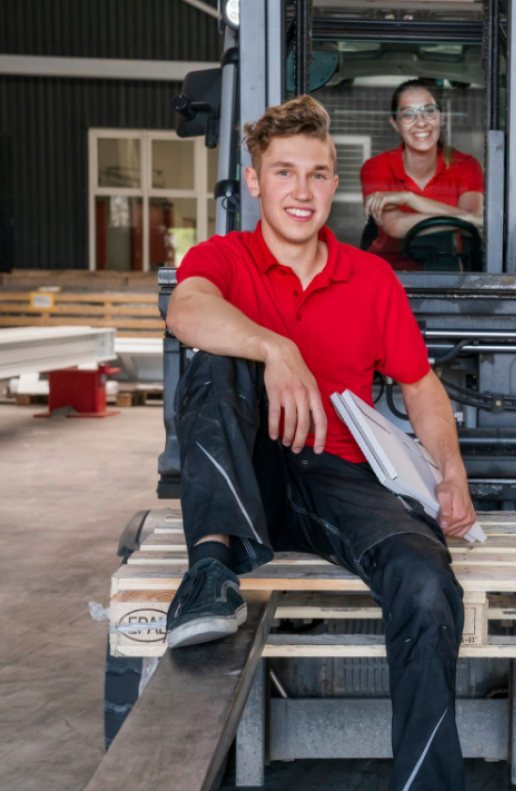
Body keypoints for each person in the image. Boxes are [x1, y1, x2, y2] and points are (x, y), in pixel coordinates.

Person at [163, 95, 475, 791]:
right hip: (247, 481)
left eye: (317, 174)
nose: (300, 191)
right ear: (253, 181)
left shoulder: (370, 278)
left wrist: (450, 474)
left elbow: (420, 386)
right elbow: (186, 311)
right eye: (283, 173)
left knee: (425, 581)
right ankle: (211, 573)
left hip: (335, 475)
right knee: (215, 361)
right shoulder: (224, 257)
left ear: (335, 184)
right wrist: (276, 348)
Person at [360, 79, 484, 271]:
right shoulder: (377, 166)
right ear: (395, 123)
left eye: (428, 111)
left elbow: (474, 225)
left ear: (441, 116)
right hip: (386, 276)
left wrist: (409, 199)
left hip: (452, 277)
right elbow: (395, 225)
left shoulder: (466, 166)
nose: (421, 123)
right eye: (408, 114)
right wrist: (464, 220)